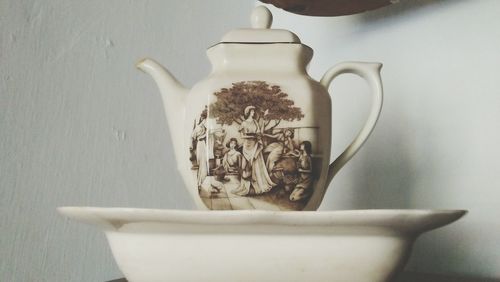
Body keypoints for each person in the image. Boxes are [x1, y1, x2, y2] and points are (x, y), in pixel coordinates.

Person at [232, 105, 275, 195]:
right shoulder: (244, 123)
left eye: (254, 111)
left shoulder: (255, 122)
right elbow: (242, 136)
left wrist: (259, 132)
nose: (253, 113)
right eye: (251, 111)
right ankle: (247, 184)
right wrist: (251, 136)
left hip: (255, 145)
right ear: (248, 113)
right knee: (246, 165)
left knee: (256, 163)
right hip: (247, 146)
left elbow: (259, 133)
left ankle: (257, 184)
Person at [191, 108, 208, 190]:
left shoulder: (205, 127)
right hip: (199, 145)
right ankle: (198, 183)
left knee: (203, 163)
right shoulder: (197, 127)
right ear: (201, 119)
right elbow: (193, 137)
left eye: (205, 118)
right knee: (199, 162)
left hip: (203, 145)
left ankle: (200, 182)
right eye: (202, 118)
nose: (204, 120)